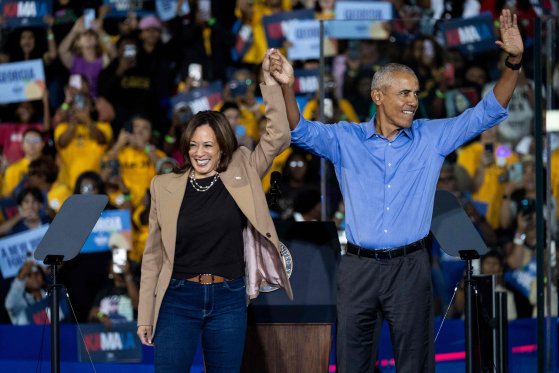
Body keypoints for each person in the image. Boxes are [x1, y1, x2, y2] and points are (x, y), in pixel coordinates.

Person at [276, 9, 523, 372]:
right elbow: (301, 131)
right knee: (352, 363)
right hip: (357, 268)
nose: (412, 100)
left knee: (414, 364)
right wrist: (287, 87)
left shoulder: (431, 137)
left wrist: (513, 62)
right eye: (404, 92)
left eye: (416, 93)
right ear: (378, 95)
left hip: (410, 267)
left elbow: (487, 112)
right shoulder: (347, 139)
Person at [136, 49, 293, 372]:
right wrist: (145, 316)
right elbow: (152, 256)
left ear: (222, 145)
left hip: (228, 298)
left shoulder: (244, 168)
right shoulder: (163, 186)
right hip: (177, 299)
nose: (199, 152)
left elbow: (278, 135)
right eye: (193, 144)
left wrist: (269, 82)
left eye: (207, 144)